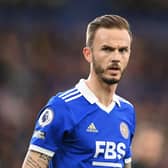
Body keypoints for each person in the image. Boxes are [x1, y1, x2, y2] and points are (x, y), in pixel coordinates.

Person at [22, 14, 136, 168]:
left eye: (123, 50)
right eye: (107, 49)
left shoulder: (127, 111)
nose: (116, 57)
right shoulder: (63, 107)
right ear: (88, 54)